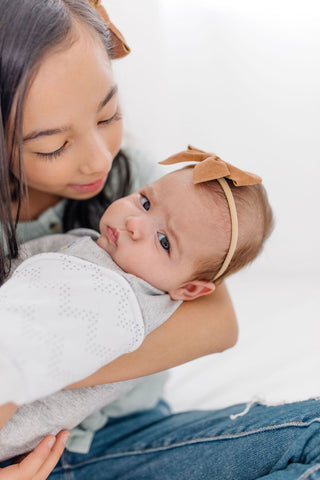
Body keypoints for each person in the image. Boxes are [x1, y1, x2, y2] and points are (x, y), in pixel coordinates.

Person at [0, 1, 319, 479]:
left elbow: (216, 325)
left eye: (108, 116)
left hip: (130, 436)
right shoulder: (140, 206)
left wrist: (45, 361)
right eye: (53, 146)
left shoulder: (143, 184)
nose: (98, 159)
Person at [0, 149, 273, 461]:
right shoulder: (99, 251)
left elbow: (16, 363)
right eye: (145, 202)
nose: (134, 223)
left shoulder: (116, 300)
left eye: (164, 241)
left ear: (189, 288)